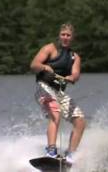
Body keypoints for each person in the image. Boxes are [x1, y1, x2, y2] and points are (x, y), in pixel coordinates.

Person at [30, 23, 86, 165]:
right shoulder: (49, 48)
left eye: (68, 35)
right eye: (63, 34)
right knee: (55, 112)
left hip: (59, 92)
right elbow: (34, 65)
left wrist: (71, 78)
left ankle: (70, 155)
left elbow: (75, 75)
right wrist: (44, 66)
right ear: (59, 35)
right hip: (43, 87)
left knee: (80, 121)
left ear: (72, 38)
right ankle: (51, 150)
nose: (65, 37)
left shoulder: (75, 57)